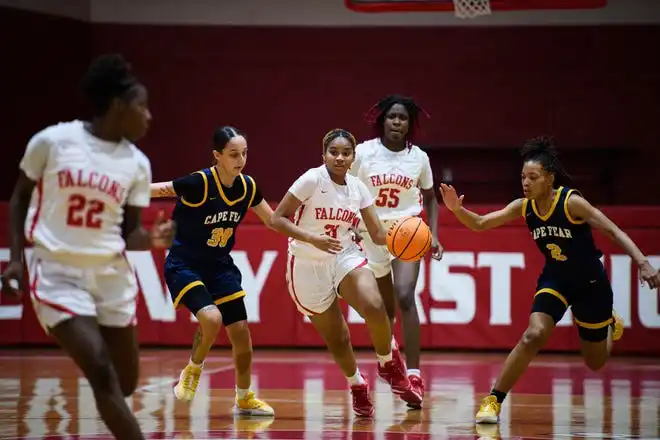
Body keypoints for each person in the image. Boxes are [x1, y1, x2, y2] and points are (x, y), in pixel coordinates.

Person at [0, 53, 174, 440]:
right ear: (117, 105)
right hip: (57, 272)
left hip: (111, 275)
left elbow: (131, 234)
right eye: (142, 107)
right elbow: (19, 199)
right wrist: (16, 260)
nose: (149, 117)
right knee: (99, 370)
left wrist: (155, 239)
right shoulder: (53, 141)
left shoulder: (137, 164)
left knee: (124, 382)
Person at [438, 136, 660, 424]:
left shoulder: (572, 203)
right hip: (555, 278)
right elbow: (481, 224)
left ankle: (608, 325)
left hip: (590, 284)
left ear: (549, 178)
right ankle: (493, 400)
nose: (526, 183)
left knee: (595, 362)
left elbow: (614, 232)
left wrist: (642, 262)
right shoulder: (524, 206)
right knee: (533, 335)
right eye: (523, 177)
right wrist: (457, 210)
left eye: (533, 177)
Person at [270, 128, 421, 417]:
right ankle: (357, 385)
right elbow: (277, 219)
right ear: (323, 154)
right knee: (338, 339)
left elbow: (377, 234)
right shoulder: (312, 179)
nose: (339, 157)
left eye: (346, 153)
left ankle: (387, 363)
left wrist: (406, 240)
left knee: (376, 305)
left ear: (354, 157)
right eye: (334, 152)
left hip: (343, 255)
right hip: (307, 262)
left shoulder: (358, 188)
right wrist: (311, 238)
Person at [150, 126, 274, 416]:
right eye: (233, 154)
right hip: (185, 264)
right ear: (217, 156)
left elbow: (272, 220)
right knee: (211, 317)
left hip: (219, 266)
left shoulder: (247, 187)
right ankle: (193, 369)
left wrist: (308, 236)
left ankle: (244, 398)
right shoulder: (198, 183)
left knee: (242, 335)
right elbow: (155, 190)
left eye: (244, 153)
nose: (240, 159)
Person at [349, 94, 444, 405]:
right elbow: (347, 190)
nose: (397, 122)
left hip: (407, 231)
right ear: (383, 120)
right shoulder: (364, 153)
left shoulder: (419, 158)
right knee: (383, 309)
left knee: (405, 294)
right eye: (392, 117)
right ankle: (389, 363)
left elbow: (430, 198)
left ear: (409, 124)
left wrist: (433, 234)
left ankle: (415, 374)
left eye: (403, 118)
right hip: (371, 232)